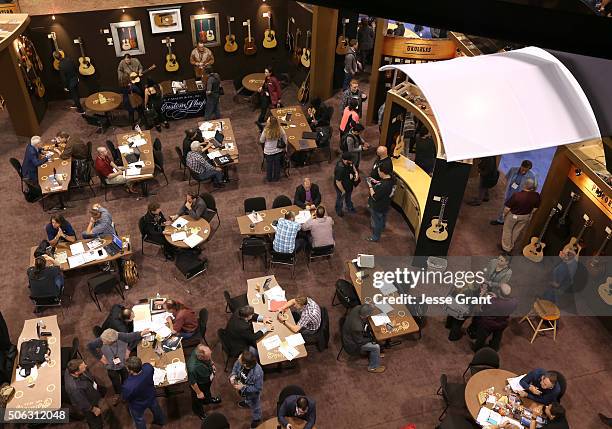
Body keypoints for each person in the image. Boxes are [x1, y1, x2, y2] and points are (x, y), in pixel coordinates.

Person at [87, 328, 149, 404]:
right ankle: (118, 393)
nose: (103, 343)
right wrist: (100, 357)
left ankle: (125, 392)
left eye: (105, 342)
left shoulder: (121, 336)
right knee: (115, 381)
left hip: (122, 364)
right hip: (110, 366)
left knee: (125, 377)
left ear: (113, 341)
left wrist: (129, 349)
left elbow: (134, 336)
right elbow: (90, 346)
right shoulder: (101, 340)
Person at [122, 356, 167, 429]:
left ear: (132, 371)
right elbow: (149, 368)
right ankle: (161, 421)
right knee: (156, 409)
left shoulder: (128, 385)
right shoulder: (148, 368)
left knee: (139, 419)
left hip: (138, 404)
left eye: (127, 368)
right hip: (151, 395)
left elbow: (126, 397)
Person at [471, 283, 518, 351]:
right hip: (502, 323)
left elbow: (482, 309)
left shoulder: (492, 302)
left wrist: (483, 296)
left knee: (482, 337)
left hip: (488, 324)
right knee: (497, 337)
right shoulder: (514, 302)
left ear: (499, 292)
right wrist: (495, 298)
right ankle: (494, 347)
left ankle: (476, 349)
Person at [342, 304, 385, 373]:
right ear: (366, 316)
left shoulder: (357, 307)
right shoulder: (357, 327)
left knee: (372, 335)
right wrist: (372, 339)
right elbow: (360, 341)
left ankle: (375, 354)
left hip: (351, 334)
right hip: (353, 345)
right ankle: (373, 367)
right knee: (375, 346)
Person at [491, 160, 537, 225]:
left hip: (520, 195)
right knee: (505, 206)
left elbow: (533, 187)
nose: (524, 171)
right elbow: (507, 178)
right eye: (523, 169)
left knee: (514, 209)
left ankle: (508, 223)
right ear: (521, 166)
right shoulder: (513, 170)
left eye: (527, 170)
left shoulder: (532, 175)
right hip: (510, 192)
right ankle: (500, 220)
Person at [501, 178, 540, 253]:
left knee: (507, 230)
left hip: (513, 216)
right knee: (517, 231)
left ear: (524, 185)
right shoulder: (536, 196)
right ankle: (511, 246)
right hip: (525, 216)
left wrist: (504, 214)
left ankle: (506, 248)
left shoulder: (517, 195)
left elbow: (507, 208)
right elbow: (535, 208)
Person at [64, 359, 105, 429]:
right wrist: (93, 409)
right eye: (83, 367)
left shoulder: (70, 369)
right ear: (76, 372)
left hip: (91, 391)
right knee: (95, 422)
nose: (86, 366)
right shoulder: (74, 388)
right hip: (89, 403)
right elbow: (82, 402)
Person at [230, 350, 264, 428]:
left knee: (255, 405)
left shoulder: (258, 372)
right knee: (247, 399)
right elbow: (235, 368)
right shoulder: (241, 360)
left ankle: (256, 419)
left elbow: (258, 388)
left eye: (240, 359)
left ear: (245, 364)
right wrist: (233, 376)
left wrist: (243, 387)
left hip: (252, 394)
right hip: (242, 388)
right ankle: (247, 402)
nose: (238, 358)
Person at [188, 344, 221, 420]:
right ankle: (199, 412)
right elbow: (192, 382)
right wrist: (199, 392)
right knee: (198, 400)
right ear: (200, 357)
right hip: (199, 384)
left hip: (206, 380)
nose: (210, 357)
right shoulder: (192, 368)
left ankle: (208, 400)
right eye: (208, 356)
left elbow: (209, 359)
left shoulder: (200, 351)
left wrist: (212, 364)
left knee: (207, 391)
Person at [366, 163, 396, 242]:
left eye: (379, 171)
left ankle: (375, 237)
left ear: (383, 172)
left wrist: (370, 185)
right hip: (387, 203)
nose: (378, 172)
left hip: (378, 206)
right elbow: (383, 185)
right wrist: (376, 182)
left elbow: (374, 196)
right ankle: (382, 227)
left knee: (376, 222)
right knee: (383, 217)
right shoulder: (392, 178)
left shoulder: (383, 186)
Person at [260, 116, 287, 182]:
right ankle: (276, 178)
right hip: (278, 150)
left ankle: (269, 178)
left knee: (269, 165)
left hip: (268, 151)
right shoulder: (280, 129)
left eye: (268, 120)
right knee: (277, 165)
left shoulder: (266, 130)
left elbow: (261, 140)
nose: (267, 121)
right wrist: (285, 148)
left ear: (270, 123)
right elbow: (285, 138)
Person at [334, 152, 358, 217]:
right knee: (340, 199)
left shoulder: (349, 162)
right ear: (345, 160)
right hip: (341, 187)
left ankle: (349, 207)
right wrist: (343, 191)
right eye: (350, 160)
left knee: (348, 197)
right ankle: (338, 210)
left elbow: (353, 167)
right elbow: (338, 182)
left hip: (349, 185)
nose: (351, 161)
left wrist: (356, 173)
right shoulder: (340, 168)